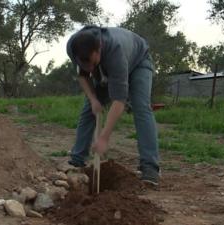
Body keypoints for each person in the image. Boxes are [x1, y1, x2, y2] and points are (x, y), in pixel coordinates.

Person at [66, 25, 160, 185]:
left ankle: (149, 167)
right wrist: (94, 99)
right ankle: (77, 160)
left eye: (91, 63)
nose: (89, 68)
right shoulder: (73, 46)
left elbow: (118, 101)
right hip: (107, 64)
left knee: (141, 107)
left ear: (99, 49)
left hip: (138, 61)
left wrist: (103, 138)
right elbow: (82, 75)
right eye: (85, 64)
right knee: (90, 109)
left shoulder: (115, 53)